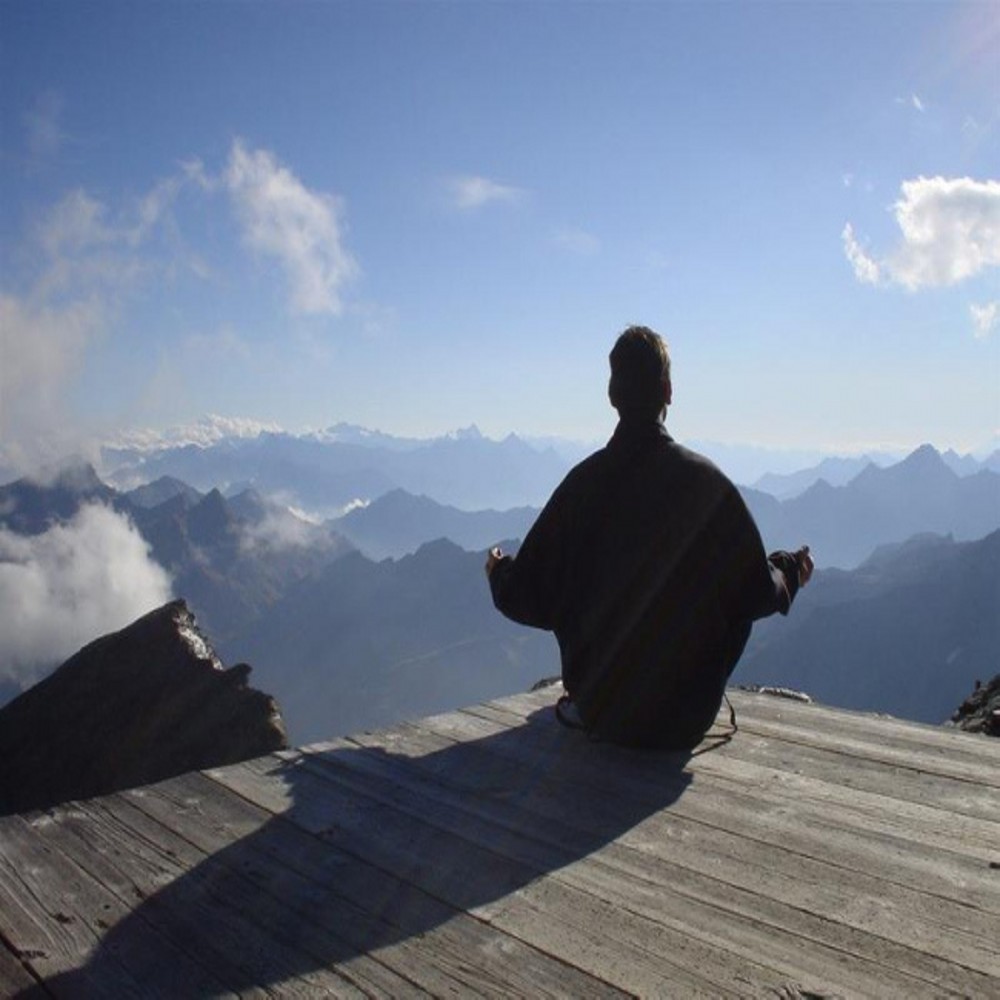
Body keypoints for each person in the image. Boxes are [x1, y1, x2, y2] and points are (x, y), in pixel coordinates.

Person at [485, 325, 813, 750]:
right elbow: (755, 593)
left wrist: (499, 571)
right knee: (730, 592)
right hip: (686, 719)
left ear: (612, 395)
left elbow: (528, 594)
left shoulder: (581, 486)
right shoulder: (708, 486)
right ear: (668, 391)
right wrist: (789, 570)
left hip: (601, 712)